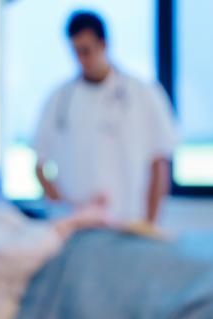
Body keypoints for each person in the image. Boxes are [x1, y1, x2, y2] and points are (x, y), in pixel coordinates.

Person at [32, 10, 178, 226]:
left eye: (86, 50)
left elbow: (160, 162)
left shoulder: (143, 93)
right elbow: (40, 165)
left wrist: (150, 223)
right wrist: (63, 208)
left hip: (129, 223)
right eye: (75, 51)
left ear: (104, 44)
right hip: (78, 225)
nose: (81, 59)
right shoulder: (59, 99)